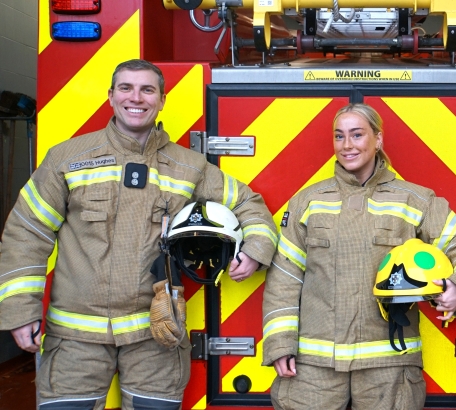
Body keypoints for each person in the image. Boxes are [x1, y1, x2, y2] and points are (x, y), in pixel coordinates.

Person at [0, 59, 278, 409]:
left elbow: (248, 204)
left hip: (156, 338)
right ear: (111, 97)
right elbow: (27, 232)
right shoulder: (68, 158)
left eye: (148, 90)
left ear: (162, 100)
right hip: (75, 342)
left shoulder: (187, 165)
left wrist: (254, 249)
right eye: (126, 88)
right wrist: (19, 310)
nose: (137, 98)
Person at [261, 103, 456, 410]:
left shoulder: (415, 200)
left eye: (357, 135)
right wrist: (280, 344)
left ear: (378, 139)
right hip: (314, 368)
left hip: (389, 367)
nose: (347, 145)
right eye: (339, 136)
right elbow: (284, 279)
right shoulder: (308, 201)